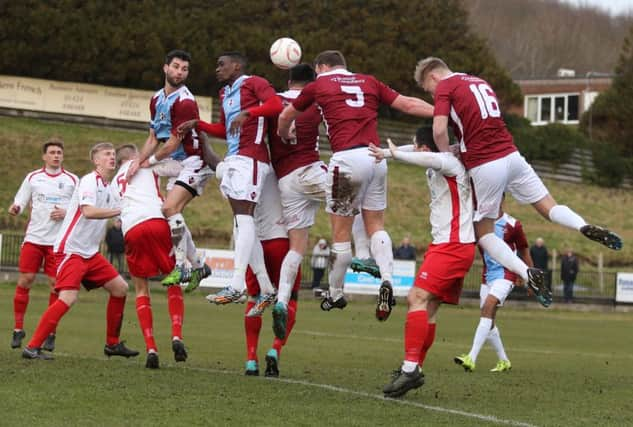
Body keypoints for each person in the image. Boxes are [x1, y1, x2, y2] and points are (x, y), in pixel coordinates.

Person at [414, 57, 622, 305]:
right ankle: (583, 225)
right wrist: (461, 145)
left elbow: (438, 131)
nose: (432, 94)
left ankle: (528, 273)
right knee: (549, 207)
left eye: (429, 89)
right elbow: (477, 123)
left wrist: (448, 157)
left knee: (485, 234)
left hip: (486, 165)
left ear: (433, 77)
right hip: (512, 155)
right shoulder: (478, 81)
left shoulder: (446, 87)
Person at [278, 50, 434, 322]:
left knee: (340, 236)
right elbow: (408, 104)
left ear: (322, 66)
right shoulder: (369, 81)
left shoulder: (319, 85)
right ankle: (387, 280)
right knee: (376, 226)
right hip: (376, 157)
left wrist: (283, 133)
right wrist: (443, 112)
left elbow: (286, 116)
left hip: (347, 160)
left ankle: (336, 293)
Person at [368, 131, 474, 398]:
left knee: (416, 297)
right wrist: (384, 151)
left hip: (452, 246)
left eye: (416, 145)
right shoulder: (436, 160)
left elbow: (423, 155)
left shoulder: (447, 162)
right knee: (429, 309)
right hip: (450, 245)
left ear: (425, 147)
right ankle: (413, 369)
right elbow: (420, 150)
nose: (413, 149)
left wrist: (393, 154)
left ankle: (410, 368)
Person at [179, 51, 283, 313]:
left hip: (253, 159)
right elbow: (226, 130)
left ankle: (237, 285)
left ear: (236, 66)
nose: (217, 69)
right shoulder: (225, 94)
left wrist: (248, 114)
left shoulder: (254, 82)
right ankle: (267, 288)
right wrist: (199, 124)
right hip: (236, 159)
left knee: (243, 220)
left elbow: (275, 106)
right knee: (241, 225)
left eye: (221, 64)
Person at [22, 142, 139, 360]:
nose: (111, 158)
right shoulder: (89, 181)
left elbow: (118, 216)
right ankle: (32, 346)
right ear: (96, 160)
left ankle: (112, 345)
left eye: (113, 155)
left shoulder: (110, 186)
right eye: (106, 154)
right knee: (68, 297)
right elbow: (88, 211)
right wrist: (119, 211)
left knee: (120, 288)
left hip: (90, 253)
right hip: (71, 250)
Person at [127, 49, 211, 292]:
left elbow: (173, 143)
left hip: (194, 161)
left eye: (184, 69)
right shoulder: (156, 99)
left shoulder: (185, 101)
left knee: (168, 208)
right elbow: (154, 137)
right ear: (165, 68)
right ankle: (198, 266)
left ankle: (181, 266)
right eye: (176, 66)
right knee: (172, 215)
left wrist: (150, 161)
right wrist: (138, 160)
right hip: (176, 164)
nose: (179, 72)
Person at [261, 63, 325, 338]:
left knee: (297, 246)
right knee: (359, 197)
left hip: (285, 181)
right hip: (310, 170)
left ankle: (282, 300)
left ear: (289, 81)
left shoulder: (273, 101)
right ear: (312, 83)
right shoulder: (317, 101)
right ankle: (345, 277)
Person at [112, 144, 189, 369]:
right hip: (155, 221)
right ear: (136, 156)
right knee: (173, 279)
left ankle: (151, 348)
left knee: (141, 289)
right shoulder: (148, 164)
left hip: (132, 229)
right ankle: (176, 335)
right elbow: (179, 168)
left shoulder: (115, 181)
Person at [8, 138, 78, 351]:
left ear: (62, 156)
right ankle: (18, 329)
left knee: (55, 285)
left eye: (59, 152)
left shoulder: (73, 180)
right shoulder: (33, 177)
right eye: (52, 152)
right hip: (34, 238)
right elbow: (20, 200)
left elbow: (80, 207)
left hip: (57, 243)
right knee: (26, 279)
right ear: (44, 156)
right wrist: (16, 207)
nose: (56, 155)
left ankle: (50, 333)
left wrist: (66, 212)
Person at [454, 198, 538, 374]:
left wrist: (530, 277)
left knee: (488, 307)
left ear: (502, 200)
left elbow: (524, 250)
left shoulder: (513, 225)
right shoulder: (478, 223)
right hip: (487, 276)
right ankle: (504, 360)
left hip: (507, 274)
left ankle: (471, 357)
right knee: (488, 319)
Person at [238, 171, 302, 378]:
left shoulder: (249, 171)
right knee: (289, 298)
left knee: (254, 299)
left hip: (256, 243)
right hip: (283, 242)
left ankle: (250, 360)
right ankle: (275, 349)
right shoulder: (289, 168)